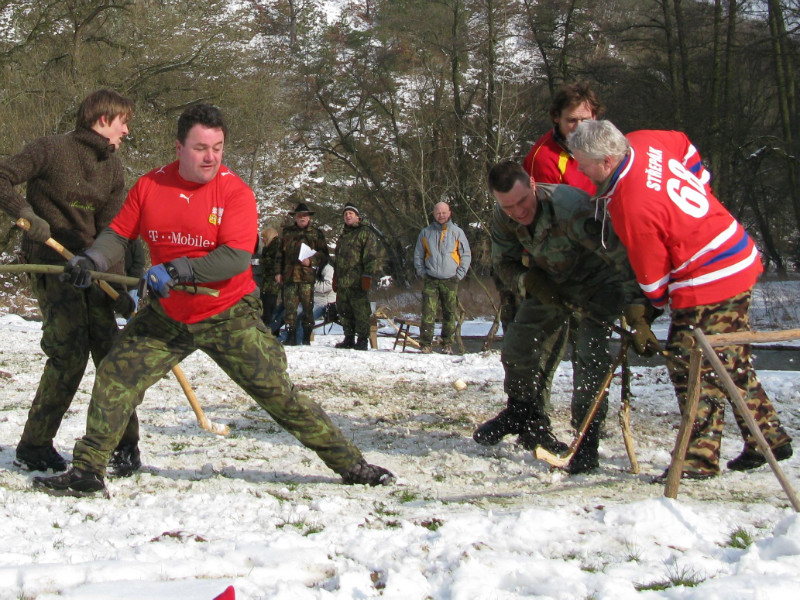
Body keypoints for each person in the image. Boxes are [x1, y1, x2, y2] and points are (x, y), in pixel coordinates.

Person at [33, 103, 394, 496]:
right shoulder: (150, 186)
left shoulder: (235, 193)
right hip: (169, 316)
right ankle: (88, 471)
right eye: (201, 148)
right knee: (115, 375)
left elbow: (235, 258)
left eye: (217, 148)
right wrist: (92, 260)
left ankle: (351, 464)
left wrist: (177, 270)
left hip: (228, 314)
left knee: (279, 395)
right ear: (179, 147)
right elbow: (118, 234)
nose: (211, 157)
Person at [569, 120, 793, 479]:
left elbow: (653, 276)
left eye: (583, 163)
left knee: (689, 364)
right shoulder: (643, 140)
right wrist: (700, 188)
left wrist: (649, 308)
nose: (580, 170)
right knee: (727, 356)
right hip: (736, 251)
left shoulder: (631, 204)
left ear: (607, 161)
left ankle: (699, 460)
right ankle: (767, 436)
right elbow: (684, 145)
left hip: (709, 278)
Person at [0, 89, 142, 476]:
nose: (126, 130)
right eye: (123, 122)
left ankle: (124, 446)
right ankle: (34, 446)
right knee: (69, 355)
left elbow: (113, 232)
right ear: (103, 119)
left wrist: (118, 289)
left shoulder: (113, 168)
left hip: (92, 269)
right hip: (53, 266)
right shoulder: (49, 149)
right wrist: (26, 214)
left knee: (112, 356)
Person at [478, 160, 648, 474]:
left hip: (600, 283)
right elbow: (503, 264)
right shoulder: (504, 216)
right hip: (553, 282)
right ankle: (522, 413)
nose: (518, 212)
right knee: (517, 344)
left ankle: (586, 439)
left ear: (533, 185)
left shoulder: (571, 208)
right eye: (509, 207)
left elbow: (621, 257)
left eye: (523, 202)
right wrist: (529, 282)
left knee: (589, 355)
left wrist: (638, 313)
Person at [523, 81, 602, 195]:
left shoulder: (606, 143)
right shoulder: (544, 160)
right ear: (557, 117)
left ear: (594, 117)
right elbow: (544, 205)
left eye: (585, 120)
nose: (580, 127)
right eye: (572, 120)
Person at [413, 202, 471, 354]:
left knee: (449, 313)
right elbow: (418, 255)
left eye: (444, 212)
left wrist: (459, 275)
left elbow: (466, 255)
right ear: (434, 214)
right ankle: (426, 344)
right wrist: (422, 272)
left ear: (449, 213)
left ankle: (447, 344)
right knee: (428, 312)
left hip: (451, 279)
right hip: (431, 278)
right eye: (438, 213)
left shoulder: (457, 232)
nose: (441, 215)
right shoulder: (425, 233)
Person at [276, 203, 329, 345]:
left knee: (307, 308)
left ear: (309, 218)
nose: (302, 218)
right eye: (299, 215)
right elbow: (279, 254)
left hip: (306, 277)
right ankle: (291, 336)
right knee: (289, 308)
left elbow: (324, 255)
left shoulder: (316, 234)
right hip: (289, 276)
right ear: (295, 218)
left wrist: (311, 261)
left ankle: (306, 337)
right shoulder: (287, 233)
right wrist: (278, 272)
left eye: (305, 215)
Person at [333, 203, 378, 351]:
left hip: (357, 281)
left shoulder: (365, 232)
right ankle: (349, 338)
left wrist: (367, 276)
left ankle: (363, 339)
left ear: (357, 216)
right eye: (345, 214)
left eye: (351, 213)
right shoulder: (343, 236)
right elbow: (338, 259)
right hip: (343, 281)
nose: (348, 216)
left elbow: (371, 256)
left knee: (361, 311)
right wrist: (335, 277)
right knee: (344, 311)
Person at [259, 226, 280, 328]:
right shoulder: (267, 247)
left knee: (269, 305)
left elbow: (275, 261)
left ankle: (270, 327)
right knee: (265, 304)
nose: (262, 240)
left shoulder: (276, 245)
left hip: (272, 281)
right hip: (266, 281)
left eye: (264, 238)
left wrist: (261, 261)